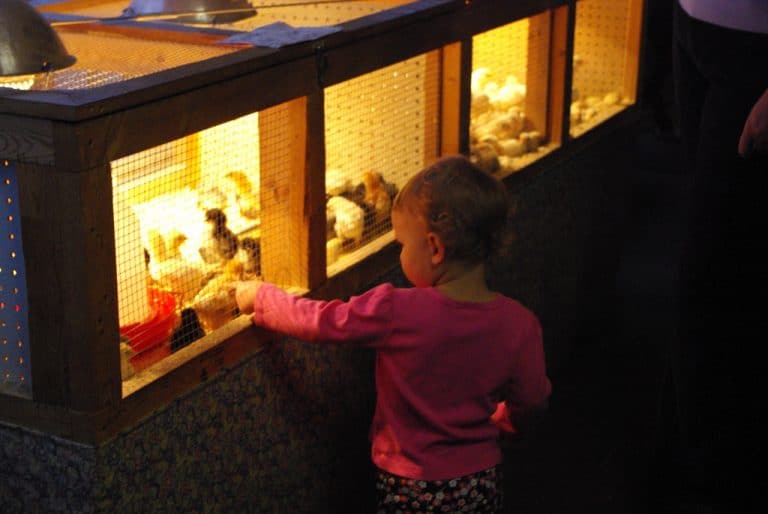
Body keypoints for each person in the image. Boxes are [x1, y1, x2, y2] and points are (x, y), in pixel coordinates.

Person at [235, 155, 551, 513]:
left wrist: (262, 297)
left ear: (434, 248)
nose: (399, 253)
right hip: (477, 479)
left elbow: (321, 321)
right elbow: (533, 399)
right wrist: (502, 420)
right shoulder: (520, 324)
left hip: (408, 483)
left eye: (402, 243)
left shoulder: (395, 309)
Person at [659, 1, 768, 511]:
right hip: (695, 25)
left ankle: (722, 476)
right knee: (706, 240)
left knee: (715, 268)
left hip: (753, 54)